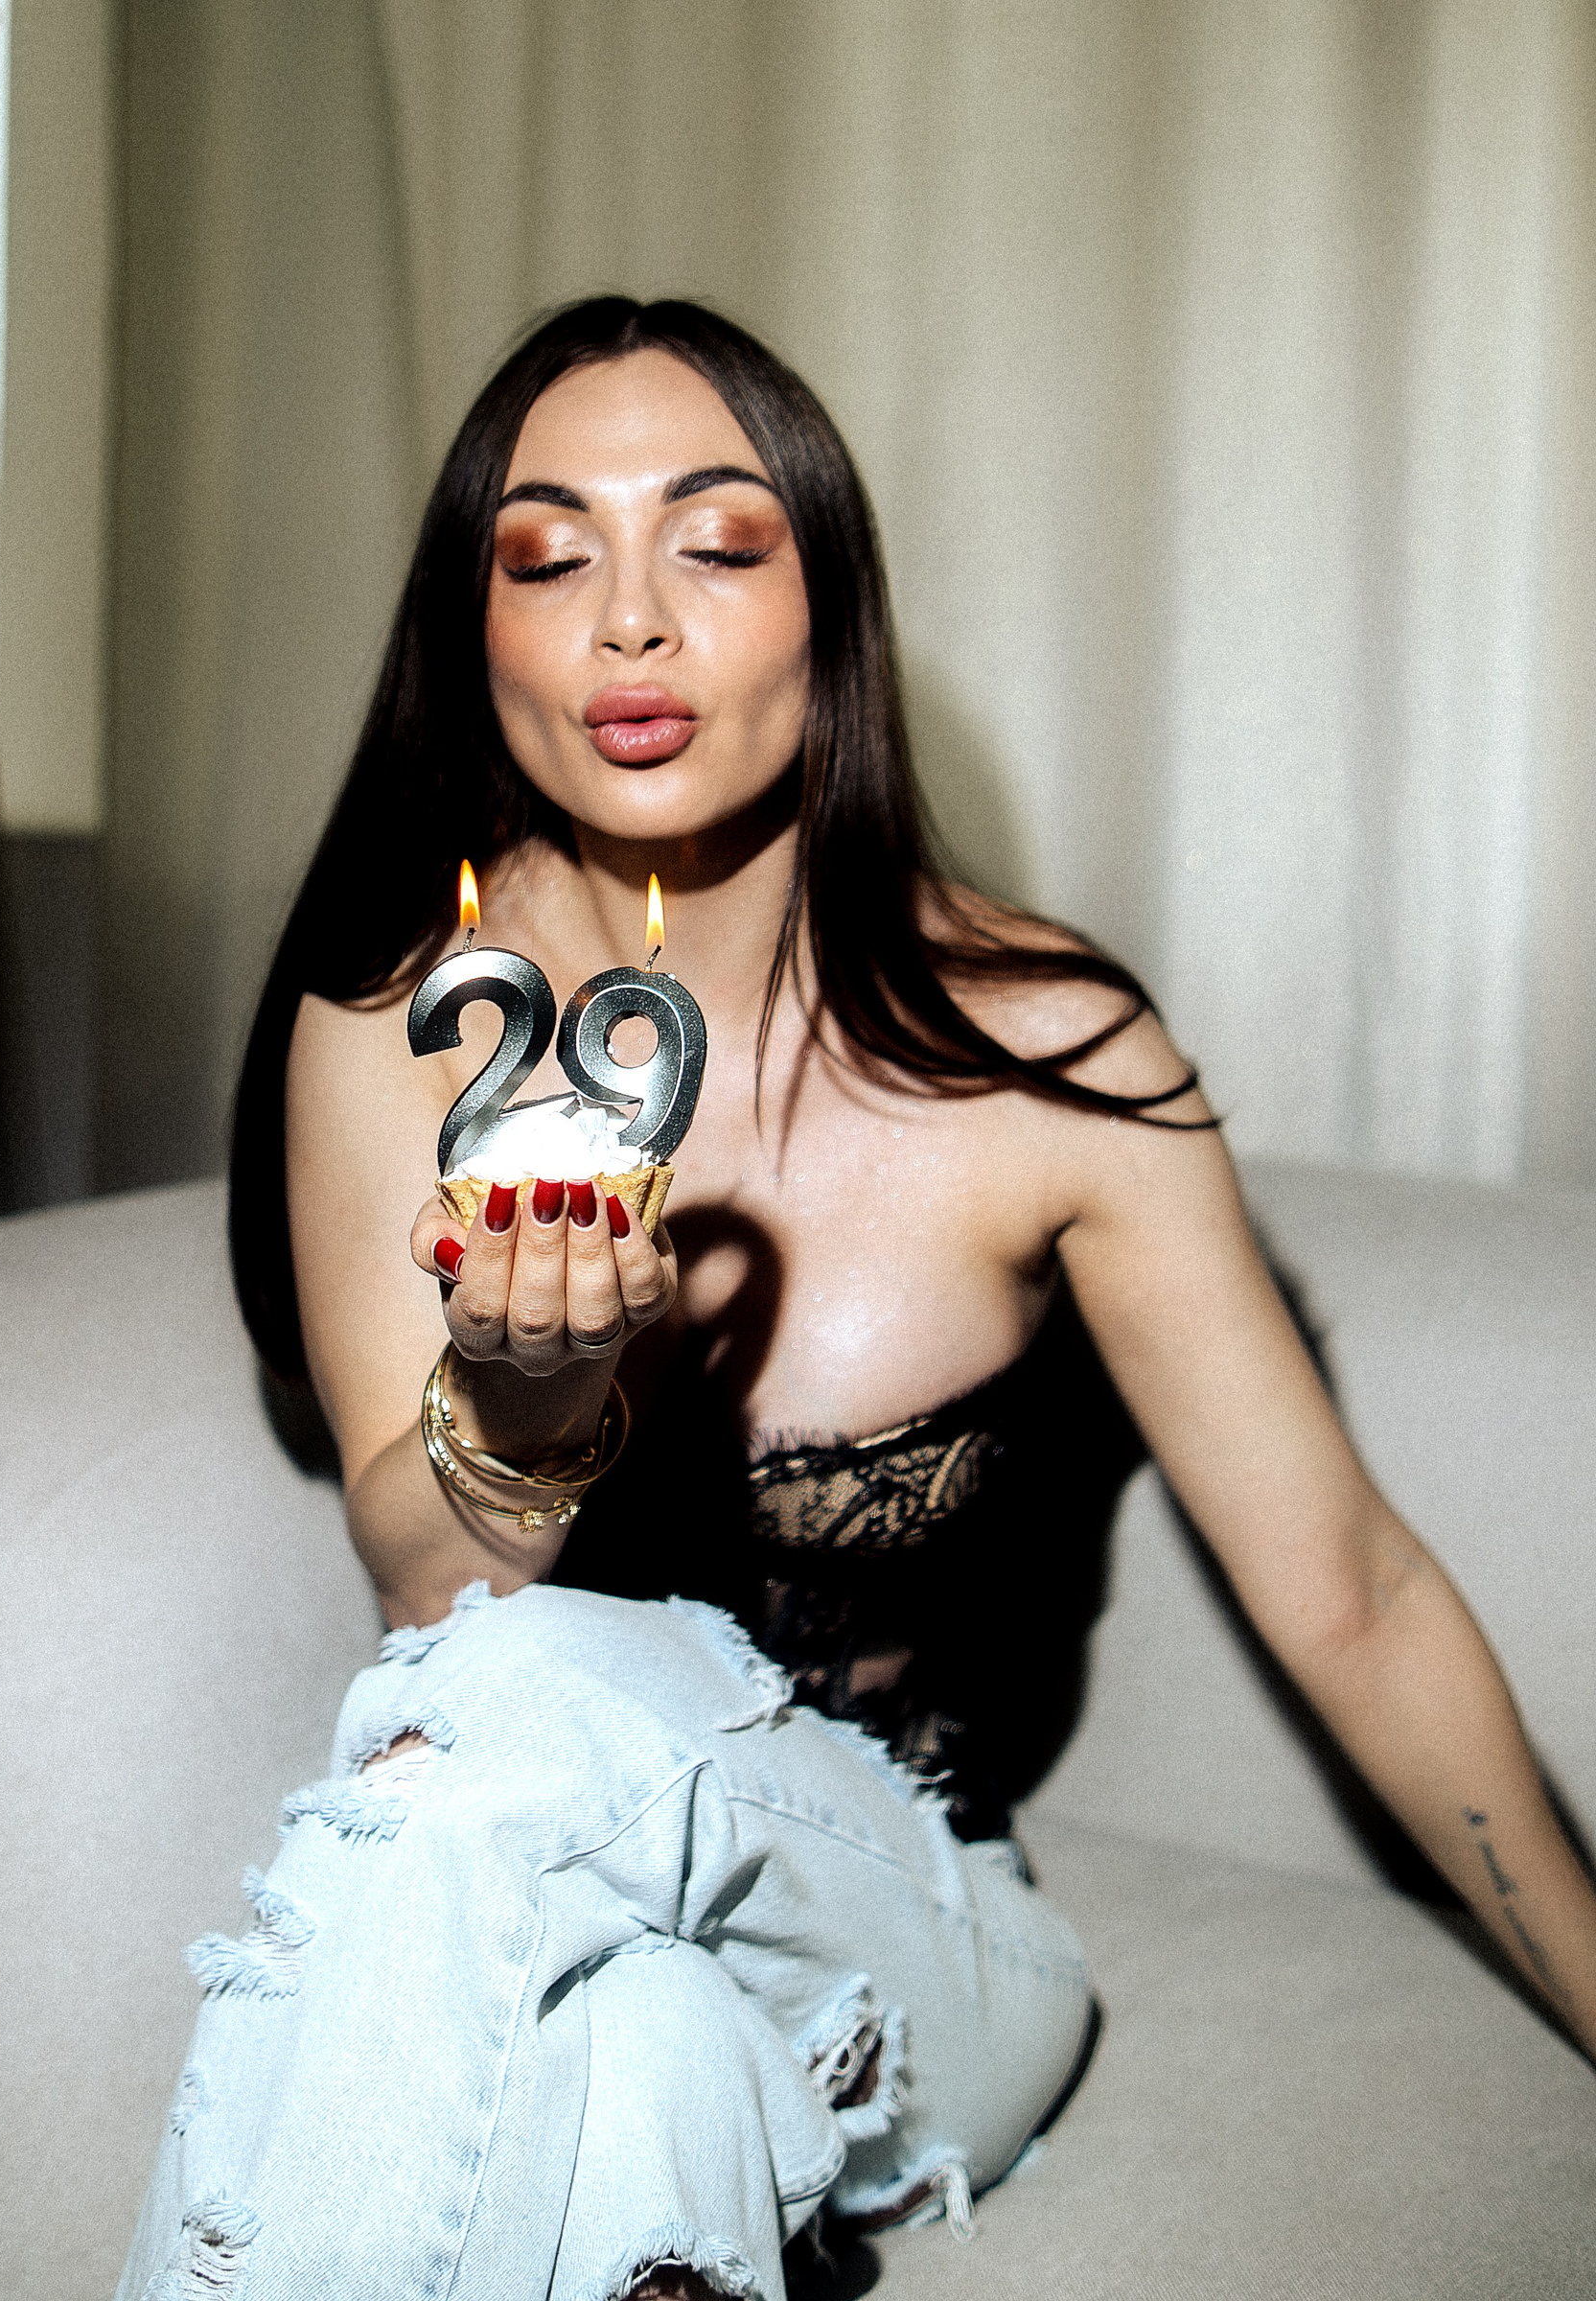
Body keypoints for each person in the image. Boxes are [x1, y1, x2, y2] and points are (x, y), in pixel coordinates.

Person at [118, 298, 1596, 2301]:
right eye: (548, 559)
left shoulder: (1045, 1050)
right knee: (635, 2056)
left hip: (926, 1946)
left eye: (717, 546)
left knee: (518, 1706)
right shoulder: (403, 1028)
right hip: (554, 1896)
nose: (631, 622)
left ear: (833, 609)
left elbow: (1354, 1592)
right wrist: (531, 1400)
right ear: (477, 639)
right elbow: (431, 1595)